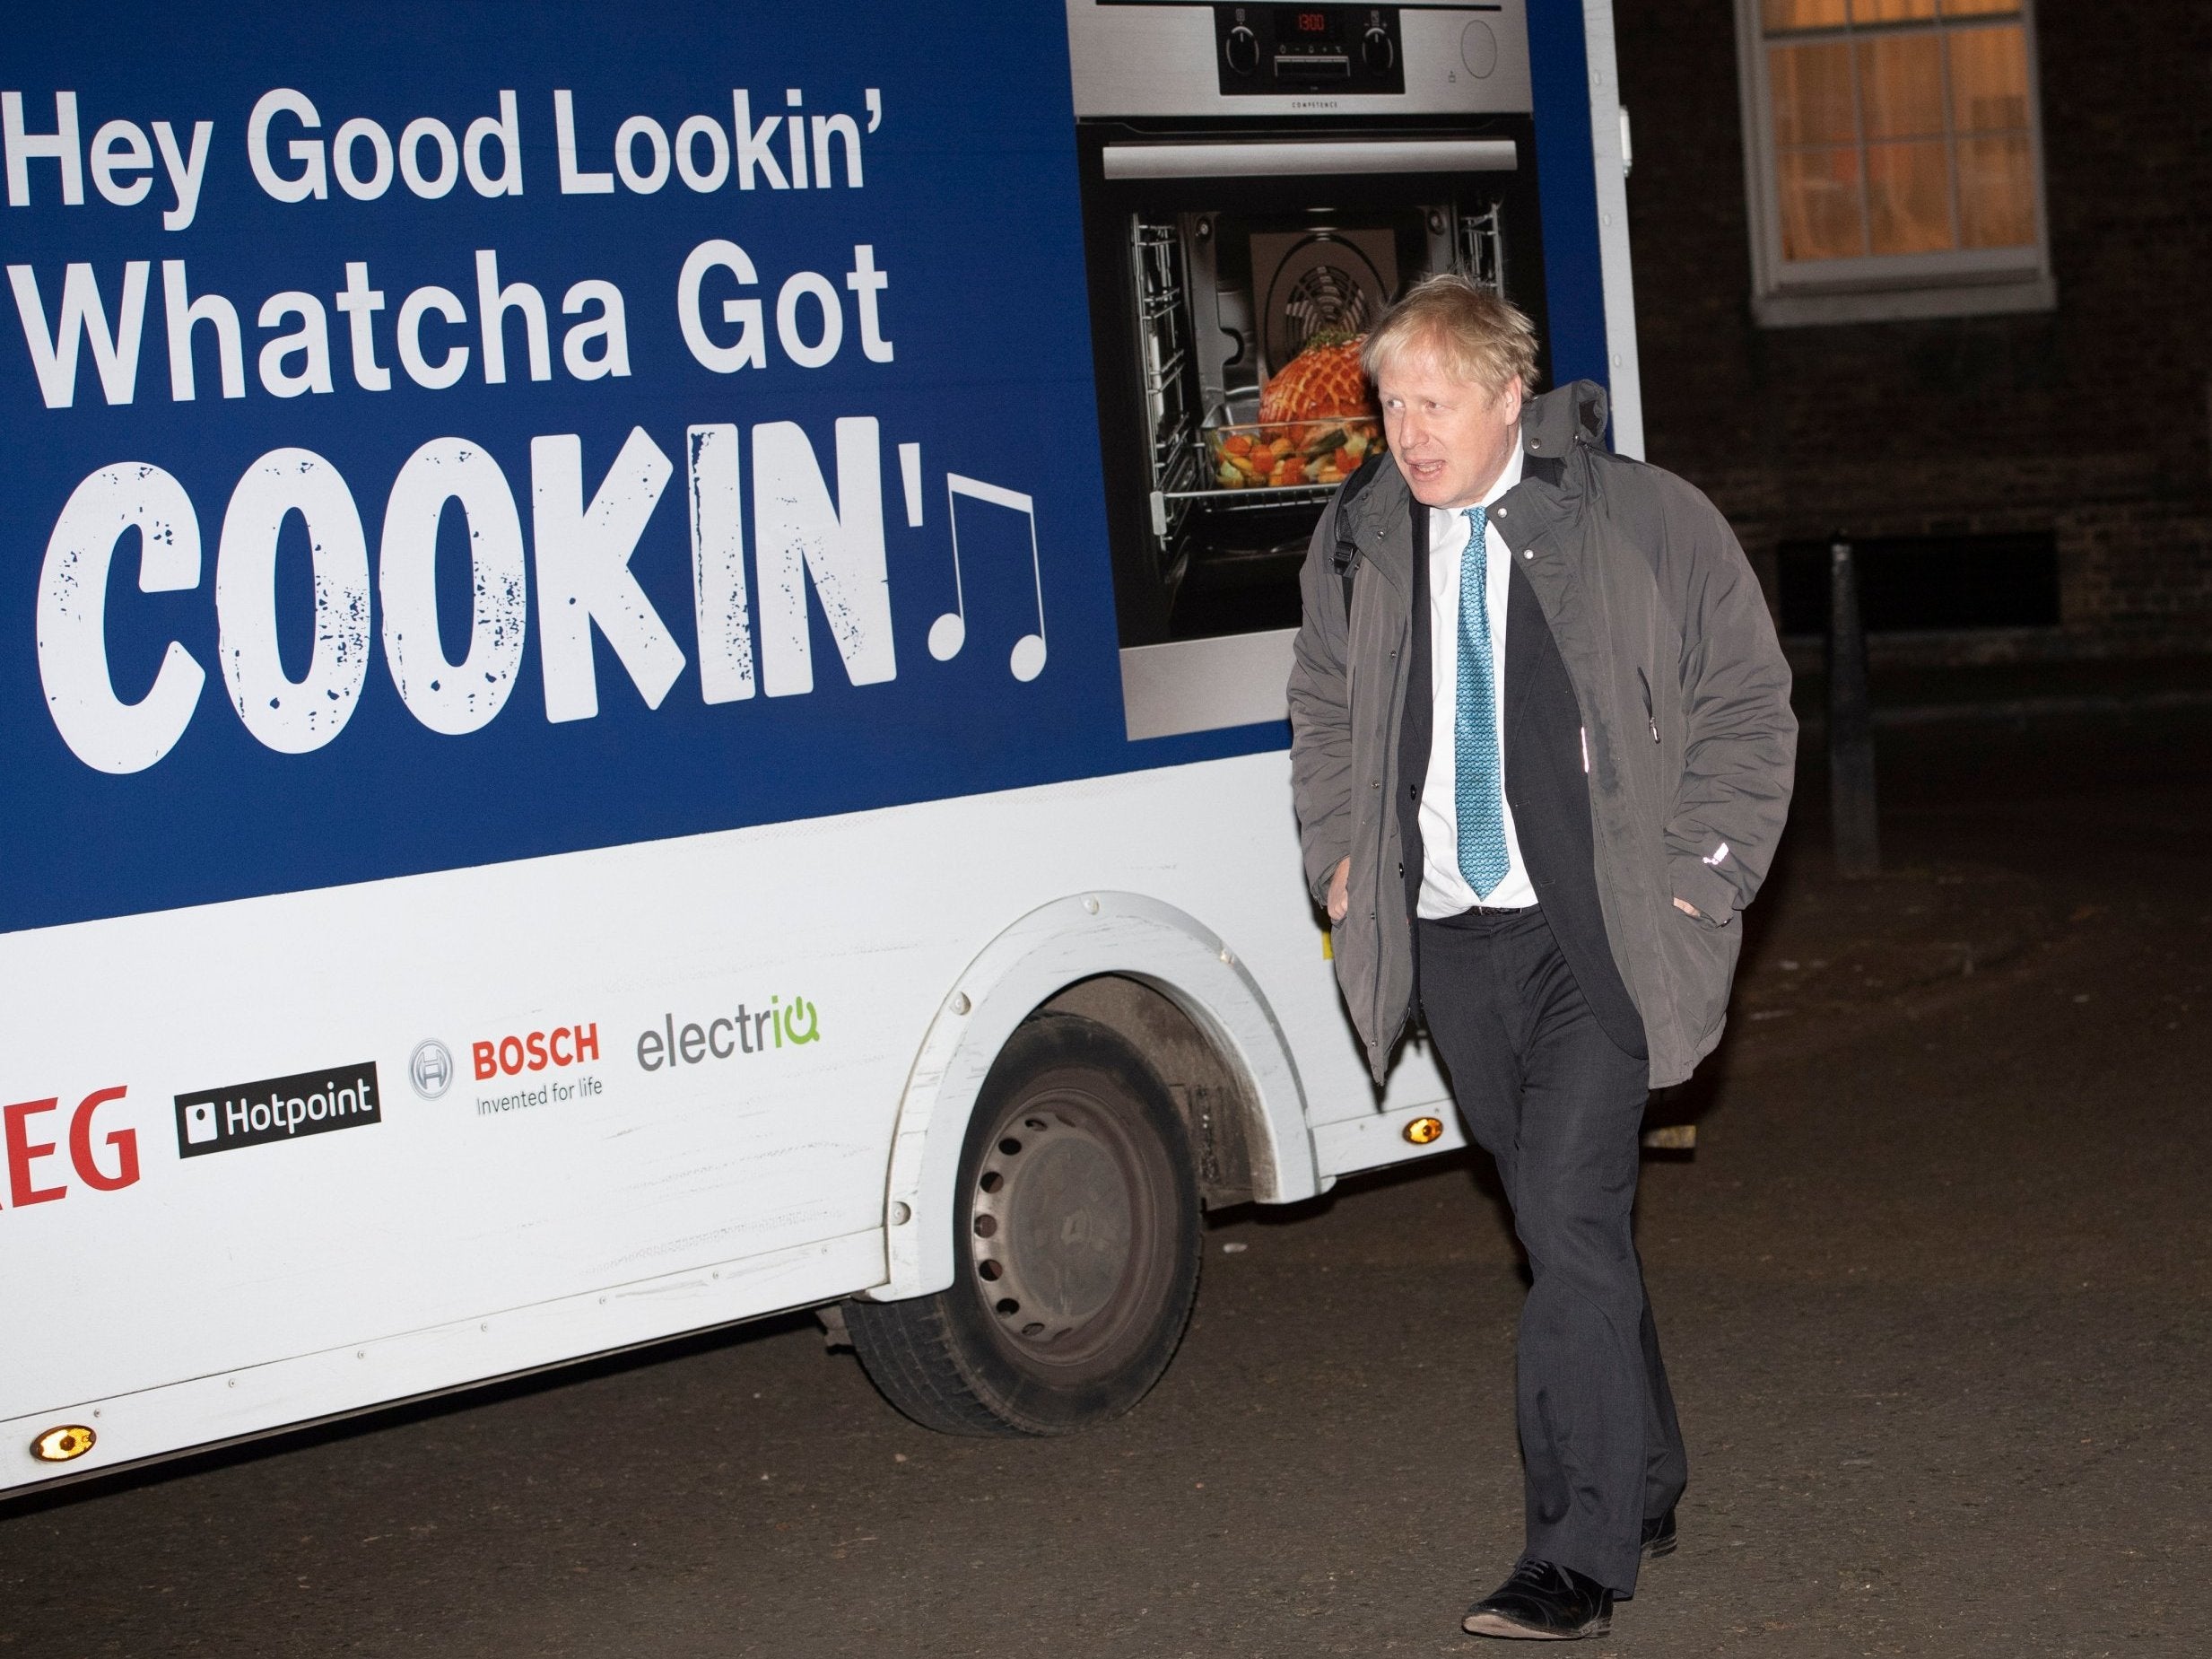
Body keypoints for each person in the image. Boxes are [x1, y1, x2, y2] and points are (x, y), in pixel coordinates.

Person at [1286, 274, 1796, 1641]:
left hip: (1599, 930)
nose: (1407, 430)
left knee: (1568, 1221)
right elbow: (1324, 700)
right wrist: (1337, 847)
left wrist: (1702, 878)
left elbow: (1749, 694)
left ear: (1512, 395)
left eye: (1434, 400)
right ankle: (1647, 1469)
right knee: (1558, 1226)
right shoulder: (1360, 534)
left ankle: (1571, 1555)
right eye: (1389, 402)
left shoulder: (1638, 518)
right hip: (1452, 933)